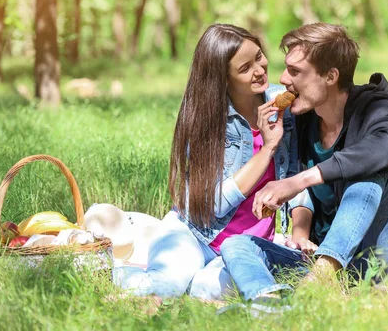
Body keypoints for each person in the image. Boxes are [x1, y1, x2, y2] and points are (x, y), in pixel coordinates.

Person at [220, 23, 388, 303]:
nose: (283, 79)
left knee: (369, 174)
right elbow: (304, 197)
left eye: (295, 71)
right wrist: (299, 233)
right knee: (237, 244)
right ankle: (269, 303)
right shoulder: (303, 119)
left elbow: (385, 147)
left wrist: (299, 180)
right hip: (332, 262)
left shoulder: (375, 105)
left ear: (331, 76)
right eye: (286, 68)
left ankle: (322, 277)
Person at [113, 24, 304, 300]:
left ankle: (168, 271)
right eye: (245, 68)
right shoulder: (208, 119)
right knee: (165, 286)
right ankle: (115, 268)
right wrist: (268, 148)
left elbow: (297, 178)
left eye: (259, 56)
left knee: (207, 289)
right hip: (194, 234)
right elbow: (211, 205)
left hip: (246, 245)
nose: (260, 70)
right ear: (223, 79)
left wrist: (297, 232)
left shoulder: (284, 108)